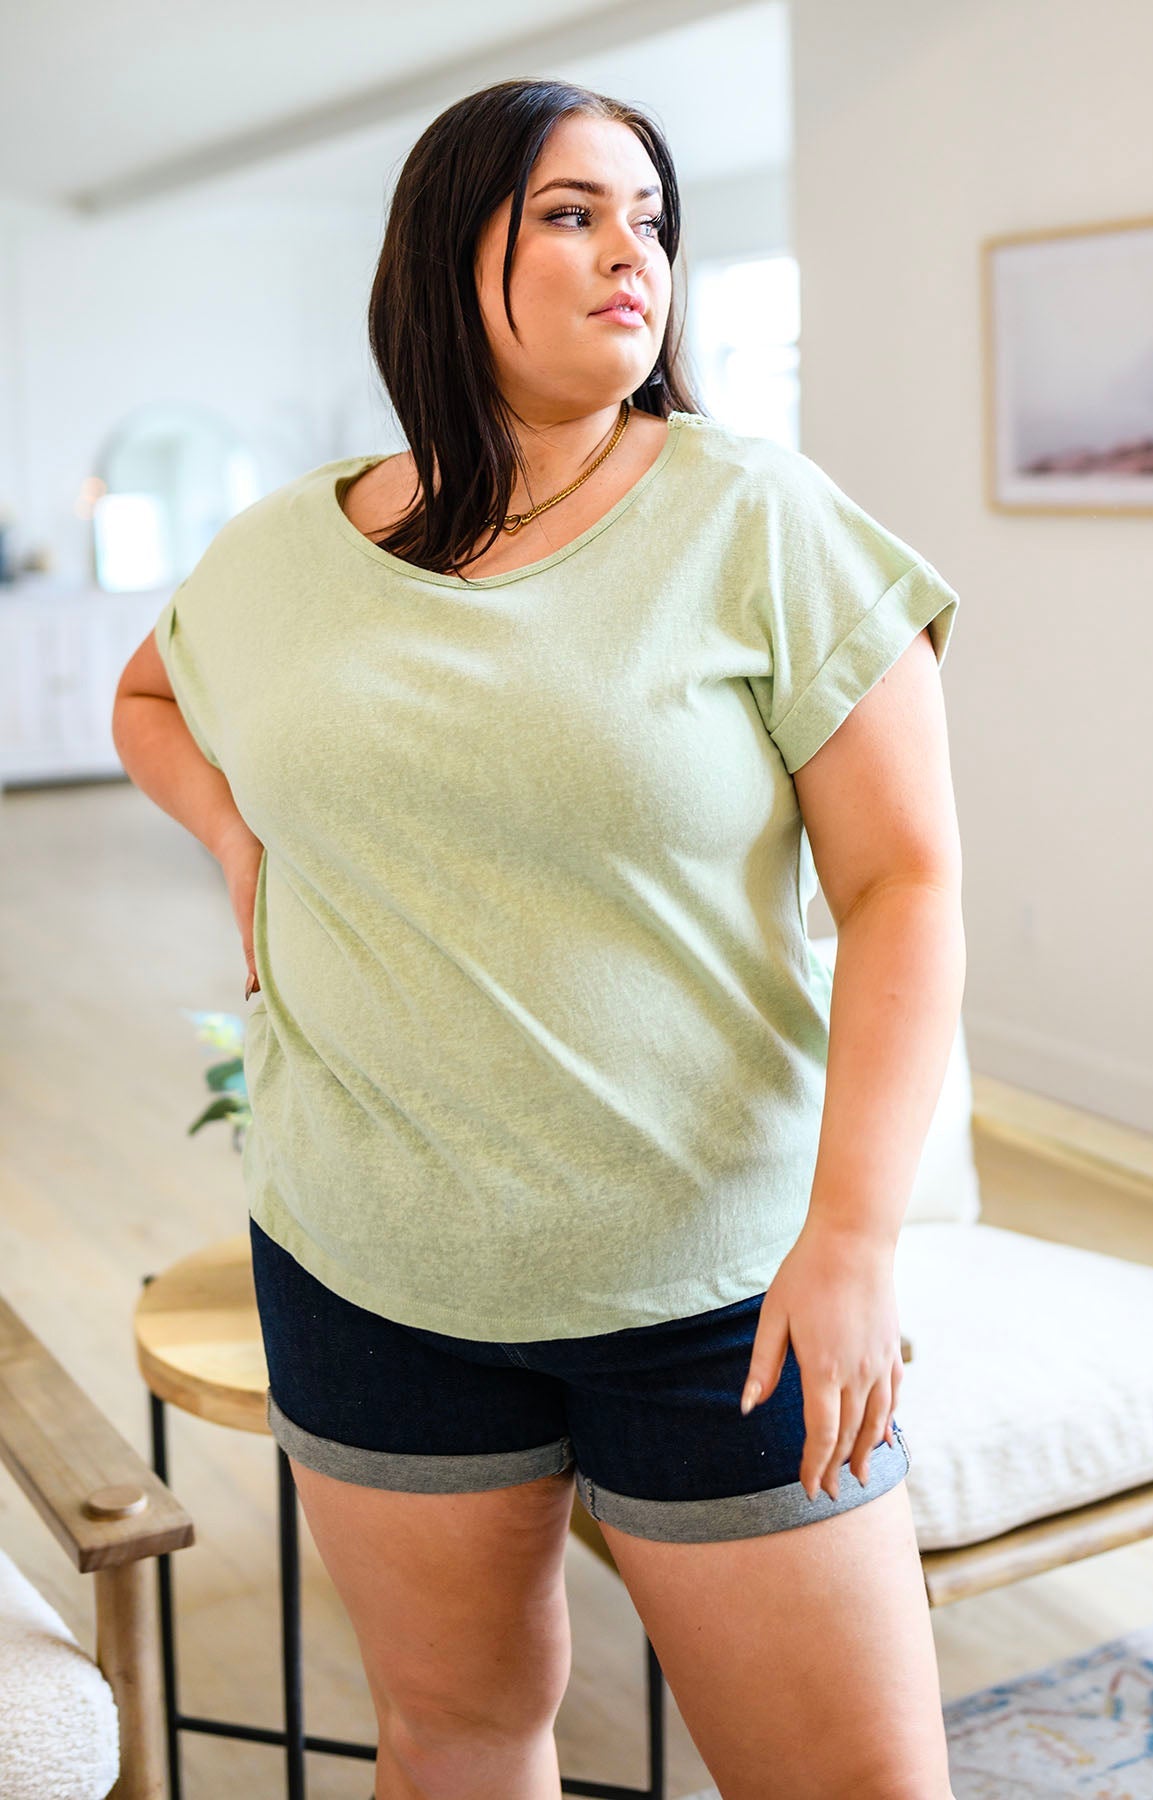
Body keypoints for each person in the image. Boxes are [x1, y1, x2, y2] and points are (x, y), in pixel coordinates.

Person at [113, 75, 964, 1800]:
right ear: (445, 258)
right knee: (453, 1735)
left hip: (718, 1289)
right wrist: (240, 843)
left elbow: (907, 886)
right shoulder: (279, 554)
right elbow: (150, 695)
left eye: (651, 219)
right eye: (572, 215)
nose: (632, 253)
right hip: (367, 1266)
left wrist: (854, 1240)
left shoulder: (758, 519)